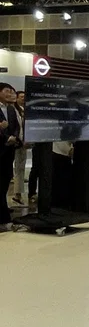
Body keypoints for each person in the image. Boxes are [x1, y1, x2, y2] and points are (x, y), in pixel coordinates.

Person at [0, 83, 24, 228]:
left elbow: (15, 126)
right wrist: (5, 137)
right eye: (7, 91)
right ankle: (5, 220)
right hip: (1, 148)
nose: (10, 94)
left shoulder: (10, 109)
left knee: (4, 184)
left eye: (11, 91)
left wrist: (14, 138)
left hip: (9, 152)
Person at [11, 90, 27, 207]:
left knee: (20, 169)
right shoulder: (13, 110)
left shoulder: (22, 111)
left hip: (22, 143)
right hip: (15, 143)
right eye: (21, 97)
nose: (23, 99)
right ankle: (17, 195)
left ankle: (18, 195)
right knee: (17, 169)